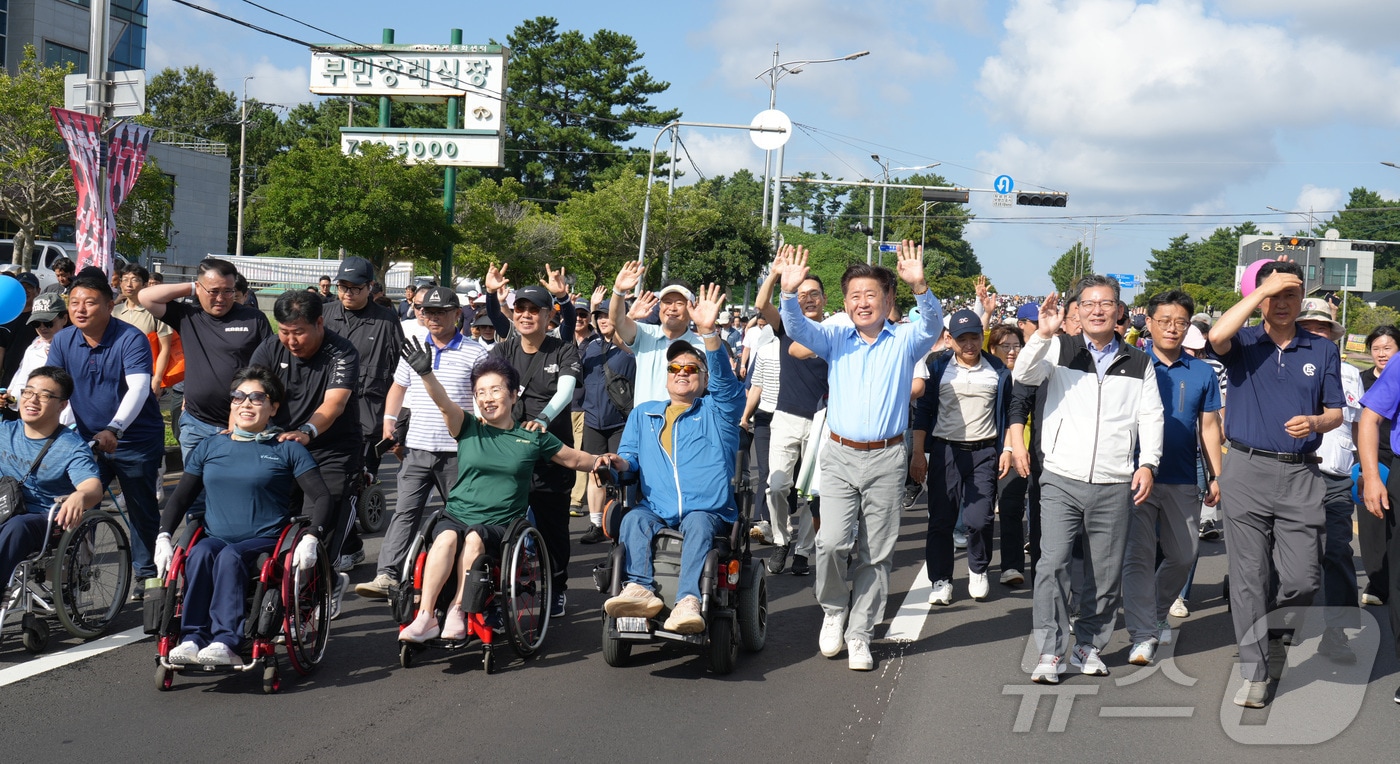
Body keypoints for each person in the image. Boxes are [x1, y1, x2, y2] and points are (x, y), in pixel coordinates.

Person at [775, 241, 942, 671]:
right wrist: (788, 292)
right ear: (846, 302)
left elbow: (932, 325)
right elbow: (797, 330)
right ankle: (834, 610)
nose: (863, 302)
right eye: (855, 296)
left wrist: (920, 286)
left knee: (876, 552)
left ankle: (861, 632)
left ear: (888, 299)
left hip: (887, 458)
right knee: (831, 542)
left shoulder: (905, 340)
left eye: (871, 294)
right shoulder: (834, 337)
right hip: (839, 455)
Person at [1013, 275, 1163, 684]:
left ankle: (1088, 645)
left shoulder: (1139, 361)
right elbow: (1024, 374)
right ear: (1076, 310)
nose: (1098, 310)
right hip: (1061, 476)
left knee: (1105, 571)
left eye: (1106, 303)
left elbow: (1151, 416)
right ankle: (1050, 650)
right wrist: (1043, 335)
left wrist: (1148, 463)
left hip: (1115, 480)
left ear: (1119, 311)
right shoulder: (1059, 348)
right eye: (1089, 303)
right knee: (1052, 563)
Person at [1207, 258, 1343, 708]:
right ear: (1260, 298)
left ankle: (1273, 627)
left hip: (1301, 474)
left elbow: (1336, 412)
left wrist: (1316, 422)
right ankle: (1255, 673)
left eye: (1291, 294)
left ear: (1302, 300)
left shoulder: (1321, 349)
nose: (1282, 303)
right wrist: (1260, 292)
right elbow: (1215, 336)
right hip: (1246, 471)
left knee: (1303, 580)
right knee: (1249, 577)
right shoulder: (1244, 341)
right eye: (1274, 294)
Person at [397, 350, 605, 643]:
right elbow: (443, 403)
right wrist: (426, 373)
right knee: (445, 537)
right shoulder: (468, 427)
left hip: (500, 524)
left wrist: (605, 461)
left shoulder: (532, 436)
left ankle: (458, 609)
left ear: (513, 395)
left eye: (495, 390)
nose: (488, 398)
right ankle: (425, 616)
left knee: (474, 539)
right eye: (481, 392)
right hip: (457, 514)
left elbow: (573, 459)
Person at [153, 367, 332, 666]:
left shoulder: (287, 448)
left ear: (273, 407)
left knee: (230, 556)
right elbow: (182, 496)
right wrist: (163, 536)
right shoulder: (210, 446)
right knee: (199, 554)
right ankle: (193, 637)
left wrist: (313, 535)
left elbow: (322, 496)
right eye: (238, 397)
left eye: (256, 398)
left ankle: (226, 640)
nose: (246, 404)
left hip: (266, 539)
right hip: (216, 536)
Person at [600, 285, 742, 634]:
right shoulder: (644, 414)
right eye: (674, 367)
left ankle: (688, 600)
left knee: (698, 523)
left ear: (704, 379)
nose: (681, 372)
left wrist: (708, 333)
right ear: (665, 377)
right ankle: (639, 588)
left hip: (706, 509)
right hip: (658, 506)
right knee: (634, 519)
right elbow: (630, 458)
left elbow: (727, 386)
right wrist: (618, 464)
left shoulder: (718, 412)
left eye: (691, 368)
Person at [357, 287, 485, 599]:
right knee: (405, 512)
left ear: (457, 314)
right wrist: (389, 420)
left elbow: (483, 394)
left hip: (459, 450)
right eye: (428, 312)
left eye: (441, 312)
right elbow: (398, 386)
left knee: (463, 518)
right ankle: (387, 575)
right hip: (416, 448)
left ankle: (461, 580)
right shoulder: (413, 347)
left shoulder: (476, 352)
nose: (433, 317)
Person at [47, 267, 167, 592]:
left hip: (135, 440)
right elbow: (53, 388)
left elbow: (139, 388)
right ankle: (77, 570)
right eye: (74, 303)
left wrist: (115, 428)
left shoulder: (131, 338)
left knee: (141, 509)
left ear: (110, 305)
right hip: (88, 441)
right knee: (79, 504)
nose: (80, 309)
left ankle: (147, 576)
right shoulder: (63, 340)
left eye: (89, 302)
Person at [1120, 290, 1222, 667]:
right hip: (1133, 476)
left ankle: (1156, 610)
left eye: (1180, 322)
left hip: (1182, 476)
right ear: (1148, 323)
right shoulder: (1130, 364)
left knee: (1184, 554)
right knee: (1139, 557)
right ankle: (1143, 634)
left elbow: (1208, 427)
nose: (1172, 329)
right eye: (1164, 321)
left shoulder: (1202, 372)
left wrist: (1216, 475)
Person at [249, 290, 363, 618]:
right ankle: (311, 584)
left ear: (319, 323)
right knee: (272, 525)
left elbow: (335, 403)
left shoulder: (342, 352)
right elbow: (249, 393)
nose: (291, 341)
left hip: (331, 449)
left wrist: (308, 431)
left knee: (317, 527)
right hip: (282, 447)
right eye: (285, 332)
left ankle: (309, 600)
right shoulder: (270, 348)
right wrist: (237, 433)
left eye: (298, 332)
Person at [483, 265, 581, 617]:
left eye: (534, 310)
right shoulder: (503, 350)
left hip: (552, 454)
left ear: (548, 315)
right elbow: (488, 388)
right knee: (504, 527)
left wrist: (542, 419)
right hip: (510, 455)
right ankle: (509, 589)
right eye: (520, 309)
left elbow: (565, 392)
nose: (526, 315)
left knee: (553, 528)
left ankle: (557, 586)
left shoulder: (564, 350)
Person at [912, 308, 1013, 606]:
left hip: (984, 452)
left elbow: (1009, 414)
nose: (969, 344)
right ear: (950, 339)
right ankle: (941, 580)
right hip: (945, 451)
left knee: (979, 519)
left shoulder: (997, 369)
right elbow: (923, 413)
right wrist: (918, 453)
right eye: (962, 339)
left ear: (981, 337)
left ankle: (978, 569)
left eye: (974, 337)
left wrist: (1007, 449)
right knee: (941, 520)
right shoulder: (938, 368)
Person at [140, 258, 273, 481]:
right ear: (199, 288)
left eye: (228, 291)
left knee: (235, 488)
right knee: (194, 491)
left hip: (244, 424)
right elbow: (146, 296)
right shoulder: (188, 315)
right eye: (213, 291)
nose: (221, 298)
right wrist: (193, 287)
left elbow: (268, 369)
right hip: (197, 424)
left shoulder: (253, 319)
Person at [321, 256, 406, 571]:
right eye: (343, 286)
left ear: (370, 287)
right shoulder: (324, 315)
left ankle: (346, 547)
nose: (348, 293)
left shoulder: (386, 321)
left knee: (354, 483)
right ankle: (344, 545)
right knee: (328, 486)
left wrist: (396, 421)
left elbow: (402, 374)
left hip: (368, 418)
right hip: (326, 414)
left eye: (355, 288)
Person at [749, 246, 829, 576]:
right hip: (785, 417)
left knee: (813, 493)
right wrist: (775, 275)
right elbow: (761, 305)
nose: (808, 299)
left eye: (814, 294)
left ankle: (803, 551)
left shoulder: (835, 333)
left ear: (824, 299)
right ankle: (782, 539)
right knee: (777, 486)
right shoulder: (788, 326)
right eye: (802, 294)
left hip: (822, 422)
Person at [1295, 298, 1363, 663]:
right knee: (1289, 554)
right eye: (1307, 328)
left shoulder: (1350, 373)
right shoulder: (1284, 364)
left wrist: (1364, 469)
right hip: (1296, 472)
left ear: (1332, 335)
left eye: (1321, 329)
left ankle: (1336, 633)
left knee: (1337, 552)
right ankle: (1276, 625)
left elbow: (1361, 424)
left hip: (1336, 476)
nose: (1315, 334)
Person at [0, 367, 103, 590]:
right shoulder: (5, 431)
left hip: (44, 521)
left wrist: (80, 496)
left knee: (18, 526)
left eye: (45, 395)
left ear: (62, 405)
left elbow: (93, 487)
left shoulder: (71, 447)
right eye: (28, 392)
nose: (32, 400)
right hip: (4, 509)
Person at [577, 300, 635, 545]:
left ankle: (625, 523)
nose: (602, 320)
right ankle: (595, 524)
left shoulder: (630, 347)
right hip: (593, 420)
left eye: (607, 315)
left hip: (621, 421)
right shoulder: (591, 347)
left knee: (623, 474)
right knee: (595, 472)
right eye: (599, 316)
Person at [609, 262, 704, 406]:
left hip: (685, 419)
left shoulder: (702, 346)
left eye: (679, 303)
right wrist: (618, 292)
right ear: (660, 306)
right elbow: (617, 321)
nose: (672, 308)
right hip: (644, 418)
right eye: (667, 302)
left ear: (691, 308)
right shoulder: (645, 334)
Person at [1358, 325, 1398, 608]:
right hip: (1374, 459)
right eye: (1376, 348)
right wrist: (1365, 470)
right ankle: (1377, 582)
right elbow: (1361, 422)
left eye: (1388, 348)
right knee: (1373, 523)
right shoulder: (1361, 380)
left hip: (1395, 457)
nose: (1382, 354)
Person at [987, 324, 1027, 585]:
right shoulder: (986, 373)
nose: (1012, 351)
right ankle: (981, 568)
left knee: (1013, 506)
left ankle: (1013, 566)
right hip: (984, 449)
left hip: (1018, 450)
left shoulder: (1028, 375)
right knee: (982, 512)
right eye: (1005, 346)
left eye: (1016, 346)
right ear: (992, 349)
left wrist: (1012, 448)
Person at [113, 264, 173, 399]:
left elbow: (165, 347)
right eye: (125, 279)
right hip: (118, 375)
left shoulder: (156, 311)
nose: (129, 284)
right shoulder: (115, 312)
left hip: (146, 376)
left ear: (145, 285)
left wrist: (158, 378)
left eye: (134, 280)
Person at [5, 294, 68, 402]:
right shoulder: (33, 347)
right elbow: (22, 380)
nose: (42, 327)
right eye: (36, 323)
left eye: (48, 323)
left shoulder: (75, 347)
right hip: (33, 409)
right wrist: (10, 399)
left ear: (64, 319)